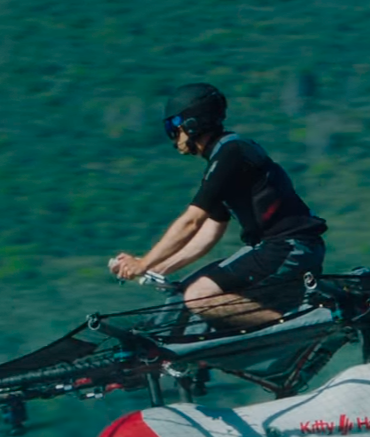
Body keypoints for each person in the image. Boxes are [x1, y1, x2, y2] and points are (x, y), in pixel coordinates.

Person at [110, 83, 328, 329]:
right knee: (183, 295)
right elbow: (209, 232)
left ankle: (300, 327)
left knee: (200, 296)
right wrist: (155, 268)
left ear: (192, 123)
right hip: (279, 248)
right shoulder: (226, 156)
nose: (173, 136)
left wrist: (143, 263)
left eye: (173, 127)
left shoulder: (231, 153)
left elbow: (192, 221)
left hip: (288, 247)